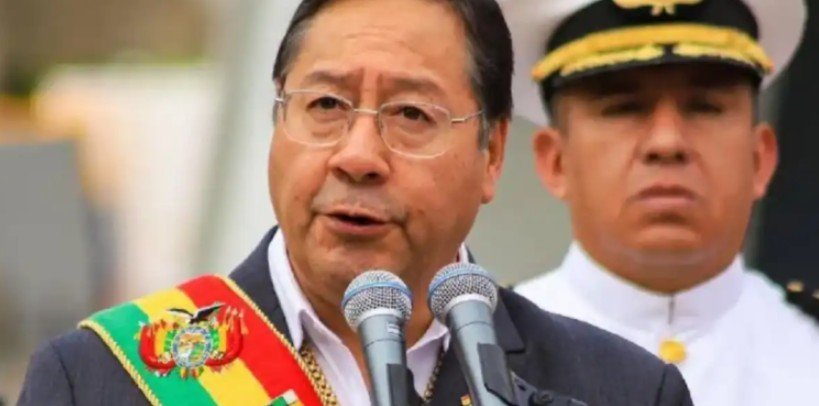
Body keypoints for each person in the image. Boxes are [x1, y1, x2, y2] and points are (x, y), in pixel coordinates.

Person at [19, 0, 693, 405]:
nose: (358, 155)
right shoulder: (101, 379)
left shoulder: (617, 391)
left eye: (411, 114)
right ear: (277, 121)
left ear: (491, 154)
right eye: (325, 105)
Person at [502, 0, 819, 405]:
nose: (667, 143)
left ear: (760, 159)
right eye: (623, 109)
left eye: (704, 107)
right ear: (555, 162)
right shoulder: (477, 355)